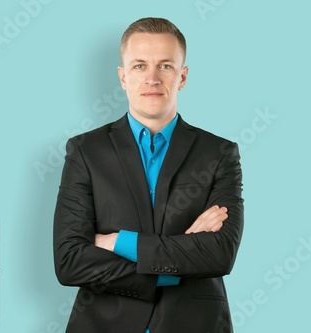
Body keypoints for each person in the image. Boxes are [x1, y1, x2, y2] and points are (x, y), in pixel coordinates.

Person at [53, 17, 244, 333]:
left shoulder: (219, 153)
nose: (152, 78)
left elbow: (220, 254)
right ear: (123, 76)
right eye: (140, 66)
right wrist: (180, 255)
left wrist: (117, 241)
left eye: (165, 66)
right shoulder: (86, 150)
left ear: (182, 76)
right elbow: (70, 261)